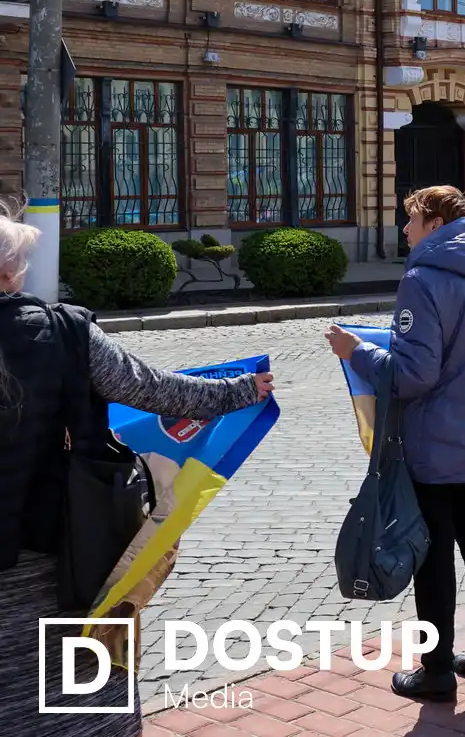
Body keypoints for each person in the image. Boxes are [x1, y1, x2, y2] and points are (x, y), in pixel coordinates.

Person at [1, 208, 274, 731]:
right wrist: (239, 391)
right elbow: (153, 391)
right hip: (54, 542)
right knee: (74, 680)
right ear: (12, 272)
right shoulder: (63, 332)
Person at [327, 185, 465, 699]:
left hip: (434, 447)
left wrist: (357, 351)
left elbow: (413, 376)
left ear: (436, 224)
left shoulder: (423, 280)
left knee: (434, 555)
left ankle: (438, 669)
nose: (405, 230)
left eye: (413, 220)